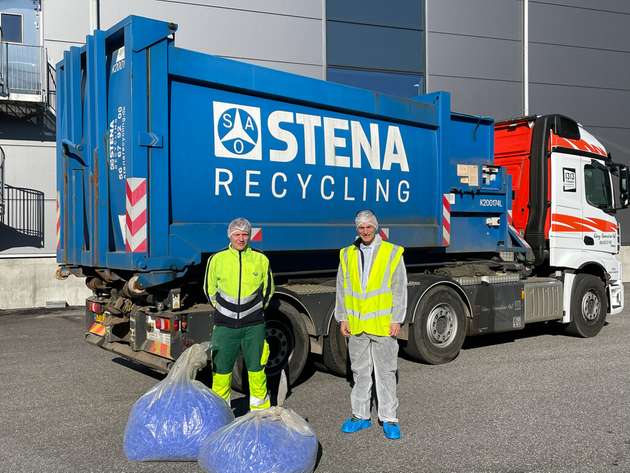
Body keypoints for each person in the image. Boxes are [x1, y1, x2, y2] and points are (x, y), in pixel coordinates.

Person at [335, 210, 408, 440]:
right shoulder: (346, 254)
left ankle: (389, 418)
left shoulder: (392, 252)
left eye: (369, 227)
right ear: (356, 229)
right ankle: (361, 416)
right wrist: (343, 317)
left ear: (376, 227)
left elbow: (399, 288)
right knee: (360, 372)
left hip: (383, 324)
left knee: (385, 372)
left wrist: (397, 318)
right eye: (361, 227)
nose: (365, 231)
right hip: (357, 324)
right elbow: (342, 289)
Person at [204, 217, 274, 411]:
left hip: (254, 326)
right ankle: (220, 416)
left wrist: (254, 312)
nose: (241, 239)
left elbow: (268, 291)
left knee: (257, 371)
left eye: (245, 234)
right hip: (225, 327)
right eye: (237, 234)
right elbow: (209, 290)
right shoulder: (217, 259)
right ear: (230, 235)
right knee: (221, 373)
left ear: (249, 236)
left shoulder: (261, 259)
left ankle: (260, 416)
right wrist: (224, 311)